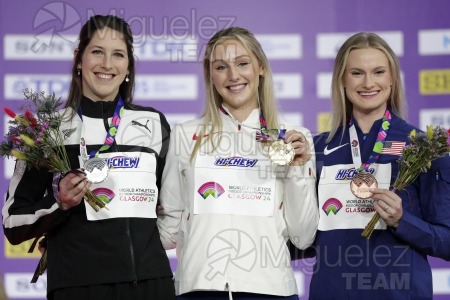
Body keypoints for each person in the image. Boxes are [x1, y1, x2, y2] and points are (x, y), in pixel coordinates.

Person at [2, 15, 175, 299]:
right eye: (97, 51)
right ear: (78, 59)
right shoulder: (48, 130)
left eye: (118, 54)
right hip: (77, 286)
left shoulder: (154, 123)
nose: (107, 64)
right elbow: (12, 222)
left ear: (128, 66)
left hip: (150, 283)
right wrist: (60, 203)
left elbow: (171, 207)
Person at [157, 26, 318, 299]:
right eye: (221, 67)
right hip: (198, 288)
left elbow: (303, 236)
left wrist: (296, 170)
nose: (233, 76)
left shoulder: (293, 138)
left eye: (242, 63)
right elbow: (169, 229)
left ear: (260, 68)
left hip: (270, 289)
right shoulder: (185, 135)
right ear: (211, 75)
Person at [309, 32, 450, 299]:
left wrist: (402, 221)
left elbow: (447, 241)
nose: (368, 83)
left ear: (392, 80)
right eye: (357, 73)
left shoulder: (425, 148)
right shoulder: (317, 148)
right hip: (332, 292)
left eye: (378, 72)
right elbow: (304, 238)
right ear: (342, 79)